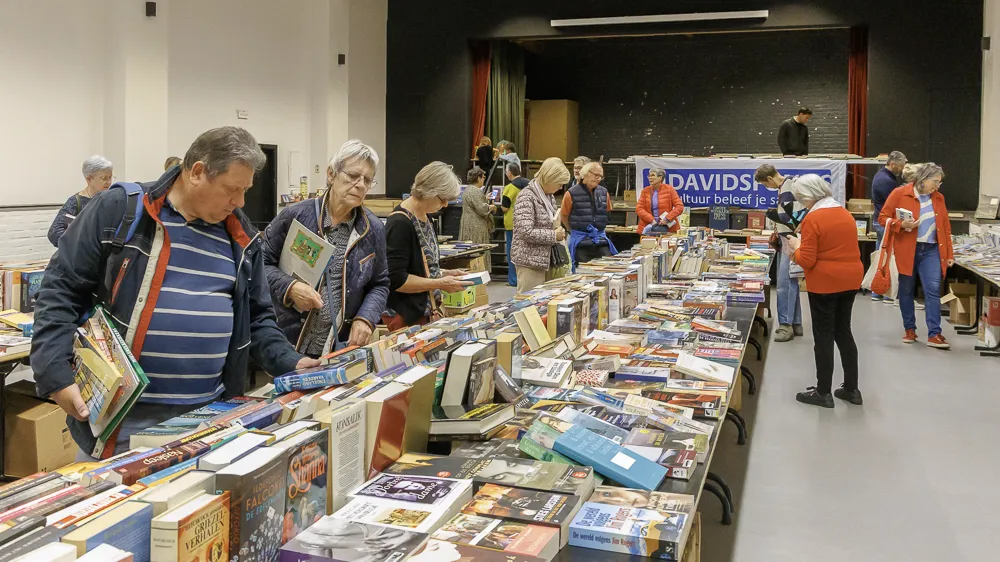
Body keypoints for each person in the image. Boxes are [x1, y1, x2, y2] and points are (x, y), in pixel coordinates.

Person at [31, 126, 318, 458]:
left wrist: (291, 362)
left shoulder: (241, 237)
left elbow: (258, 320)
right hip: (122, 425)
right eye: (231, 189)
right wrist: (53, 371)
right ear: (197, 172)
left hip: (208, 422)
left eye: (245, 190)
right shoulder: (119, 211)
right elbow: (59, 290)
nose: (239, 202)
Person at [263, 139, 390, 356]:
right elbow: (261, 264)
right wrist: (290, 287)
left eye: (367, 180)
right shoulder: (296, 216)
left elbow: (380, 283)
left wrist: (366, 318)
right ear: (331, 174)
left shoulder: (372, 228)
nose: (360, 185)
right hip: (288, 342)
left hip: (338, 345)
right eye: (352, 176)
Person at [784, 174, 864, 408]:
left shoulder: (814, 218)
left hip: (825, 282)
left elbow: (807, 260)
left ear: (808, 196)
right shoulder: (844, 213)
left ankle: (823, 392)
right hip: (850, 278)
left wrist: (794, 248)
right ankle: (852, 389)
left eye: (802, 199)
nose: (802, 203)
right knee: (844, 332)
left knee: (823, 335)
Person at [384, 162, 471, 329]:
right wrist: (439, 283)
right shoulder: (400, 224)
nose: (445, 205)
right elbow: (397, 280)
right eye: (443, 199)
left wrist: (443, 273)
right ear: (429, 192)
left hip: (425, 313)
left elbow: (420, 267)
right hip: (406, 316)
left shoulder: (426, 218)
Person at [878, 163, 954, 349]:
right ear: (923, 179)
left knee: (933, 290)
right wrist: (901, 225)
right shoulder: (900, 193)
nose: (937, 186)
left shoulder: (939, 198)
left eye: (940, 183)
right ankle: (909, 329)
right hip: (907, 249)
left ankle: (935, 334)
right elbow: (882, 218)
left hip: (931, 250)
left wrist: (949, 253)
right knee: (906, 290)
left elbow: (945, 227)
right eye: (935, 181)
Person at [755, 164, 804, 342]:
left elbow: (791, 217)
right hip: (789, 238)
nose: (767, 187)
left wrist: (772, 215)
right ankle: (796, 322)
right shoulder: (789, 184)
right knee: (791, 282)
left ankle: (785, 325)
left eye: (765, 184)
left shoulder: (787, 188)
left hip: (790, 239)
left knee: (784, 283)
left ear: (769, 179)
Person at [511, 157, 570, 293]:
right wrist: (553, 235)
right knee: (529, 304)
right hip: (529, 262)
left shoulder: (549, 196)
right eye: (559, 183)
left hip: (546, 260)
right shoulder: (526, 197)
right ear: (549, 179)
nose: (560, 187)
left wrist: (557, 228)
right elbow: (525, 231)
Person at [561, 162, 618, 270]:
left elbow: (608, 211)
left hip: (600, 238)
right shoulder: (571, 193)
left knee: (607, 269)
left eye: (600, 176)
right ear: (585, 173)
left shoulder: (604, 192)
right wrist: (571, 230)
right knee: (582, 271)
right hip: (580, 239)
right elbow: (564, 216)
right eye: (596, 175)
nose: (598, 178)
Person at [47, 155, 114, 247]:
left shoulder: (112, 200)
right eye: (104, 178)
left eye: (110, 177)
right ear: (89, 179)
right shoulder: (75, 202)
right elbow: (54, 232)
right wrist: (78, 247)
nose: (109, 182)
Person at [870, 151, 907, 302]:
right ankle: (885, 292)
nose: (902, 169)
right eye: (901, 166)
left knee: (882, 256)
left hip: (880, 222)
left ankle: (878, 291)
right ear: (893, 164)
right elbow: (894, 204)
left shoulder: (883, 177)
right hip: (885, 223)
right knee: (887, 258)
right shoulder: (886, 181)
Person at [458, 166, 495, 270]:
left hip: (467, 223)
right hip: (476, 225)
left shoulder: (468, 190)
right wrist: (491, 207)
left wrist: (485, 198)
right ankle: (480, 270)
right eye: (483, 177)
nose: (483, 179)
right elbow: (482, 209)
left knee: (469, 249)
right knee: (478, 249)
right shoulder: (476, 191)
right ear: (478, 178)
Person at [500, 163, 529, 287]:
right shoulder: (529, 184)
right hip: (527, 222)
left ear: (509, 173)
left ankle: (513, 280)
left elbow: (505, 208)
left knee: (512, 253)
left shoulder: (509, 188)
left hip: (512, 224)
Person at [636, 168, 684, 234]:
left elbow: (679, 207)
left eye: (652, 175)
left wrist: (667, 219)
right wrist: (651, 220)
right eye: (649, 176)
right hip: (648, 227)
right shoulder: (645, 191)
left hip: (667, 227)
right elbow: (639, 209)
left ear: (660, 178)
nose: (650, 178)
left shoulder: (669, 189)